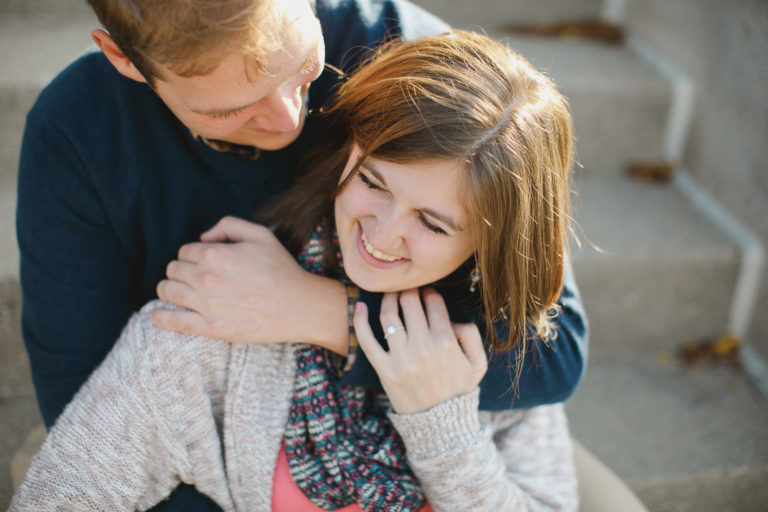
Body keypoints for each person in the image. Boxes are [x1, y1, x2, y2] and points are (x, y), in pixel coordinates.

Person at [17, 0, 586, 509]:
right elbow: (80, 411)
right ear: (125, 60)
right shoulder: (78, 133)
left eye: (303, 70)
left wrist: (326, 314)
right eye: (227, 110)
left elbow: (552, 347)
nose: (292, 119)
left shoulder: (416, 73)